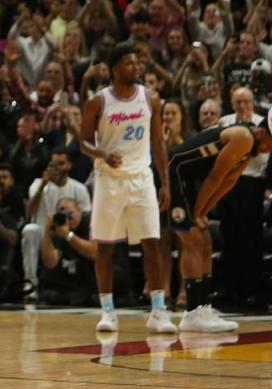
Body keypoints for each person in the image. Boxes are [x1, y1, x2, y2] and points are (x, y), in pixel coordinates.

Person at [79, 45, 175, 333]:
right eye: (129, 63)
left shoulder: (150, 98)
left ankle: (158, 311)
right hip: (109, 179)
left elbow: (158, 143)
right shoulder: (98, 102)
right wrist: (102, 154)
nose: (136, 68)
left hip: (142, 178)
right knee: (106, 247)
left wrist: (165, 183)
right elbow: (83, 142)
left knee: (152, 243)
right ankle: (108, 311)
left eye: (137, 63)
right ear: (114, 68)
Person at [167, 118, 272, 331]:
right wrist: (197, 212)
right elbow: (214, 177)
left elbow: (228, 181)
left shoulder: (249, 148)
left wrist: (203, 211)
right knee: (194, 240)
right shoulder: (243, 137)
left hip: (185, 180)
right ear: (262, 132)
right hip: (172, 174)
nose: (269, 151)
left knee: (205, 240)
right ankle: (192, 313)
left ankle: (202, 308)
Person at [215, 87, 269, 309]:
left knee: (251, 239)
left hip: (252, 184)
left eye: (246, 101)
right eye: (238, 102)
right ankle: (230, 290)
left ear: (253, 102)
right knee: (229, 237)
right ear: (231, 102)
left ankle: (252, 291)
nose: (243, 106)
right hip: (228, 185)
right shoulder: (224, 122)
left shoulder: (262, 125)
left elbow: (263, 159)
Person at [20, 149, 91, 300]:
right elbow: (30, 212)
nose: (57, 167)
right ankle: (31, 284)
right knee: (29, 229)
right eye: (53, 164)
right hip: (44, 236)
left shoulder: (79, 188)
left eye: (61, 163)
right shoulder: (38, 184)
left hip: (68, 235)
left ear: (69, 165)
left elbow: (86, 218)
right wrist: (43, 184)